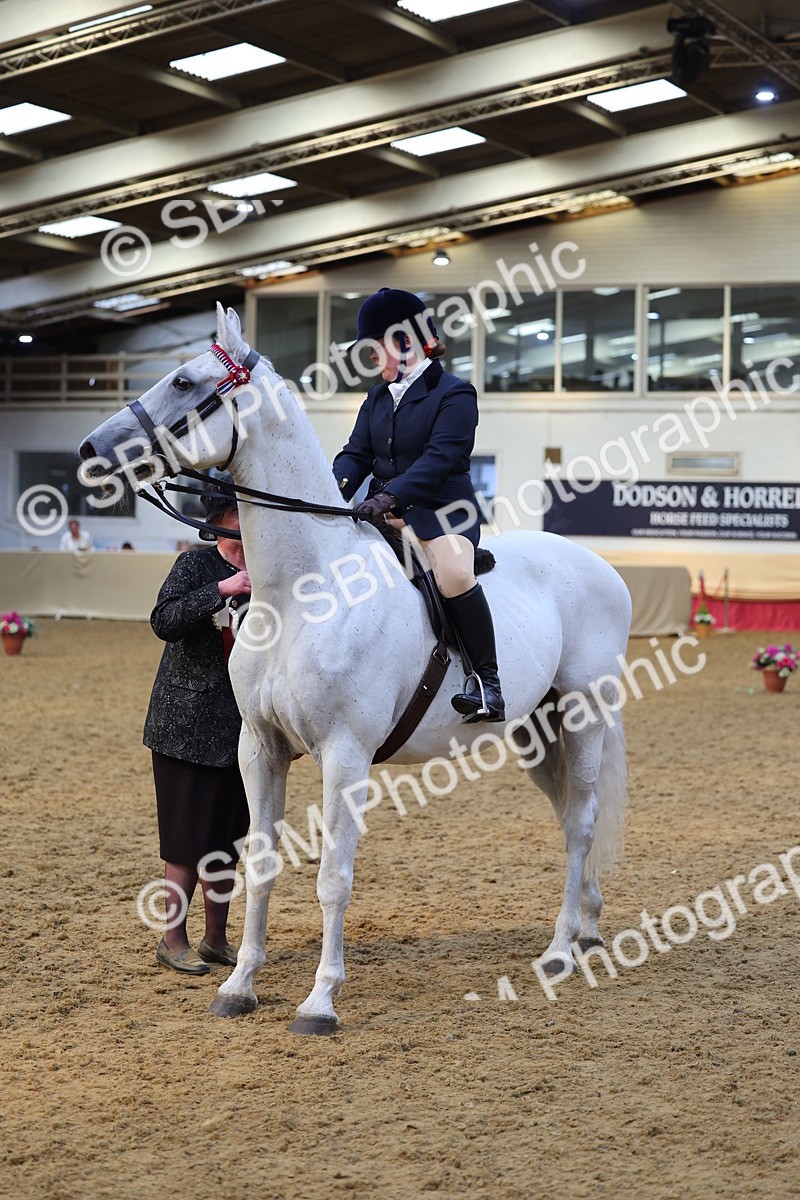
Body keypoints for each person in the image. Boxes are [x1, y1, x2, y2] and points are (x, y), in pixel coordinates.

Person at [332, 287, 505, 722]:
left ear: (405, 342)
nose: (371, 360)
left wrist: (389, 496)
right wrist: (333, 489)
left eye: (374, 350)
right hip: (381, 513)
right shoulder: (375, 398)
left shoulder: (455, 393)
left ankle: (487, 682)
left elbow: (439, 460)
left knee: (453, 573)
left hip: (442, 512)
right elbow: (356, 453)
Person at [143, 482, 251, 974]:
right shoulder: (195, 564)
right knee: (186, 841)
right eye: (235, 523)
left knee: (226, 842)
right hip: (185, 726)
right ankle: (172, 940)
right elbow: (163, 619)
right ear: (217, 524)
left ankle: (215, 939)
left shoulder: (271, 572)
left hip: (243, 728)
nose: (244, 532)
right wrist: (220, 591)